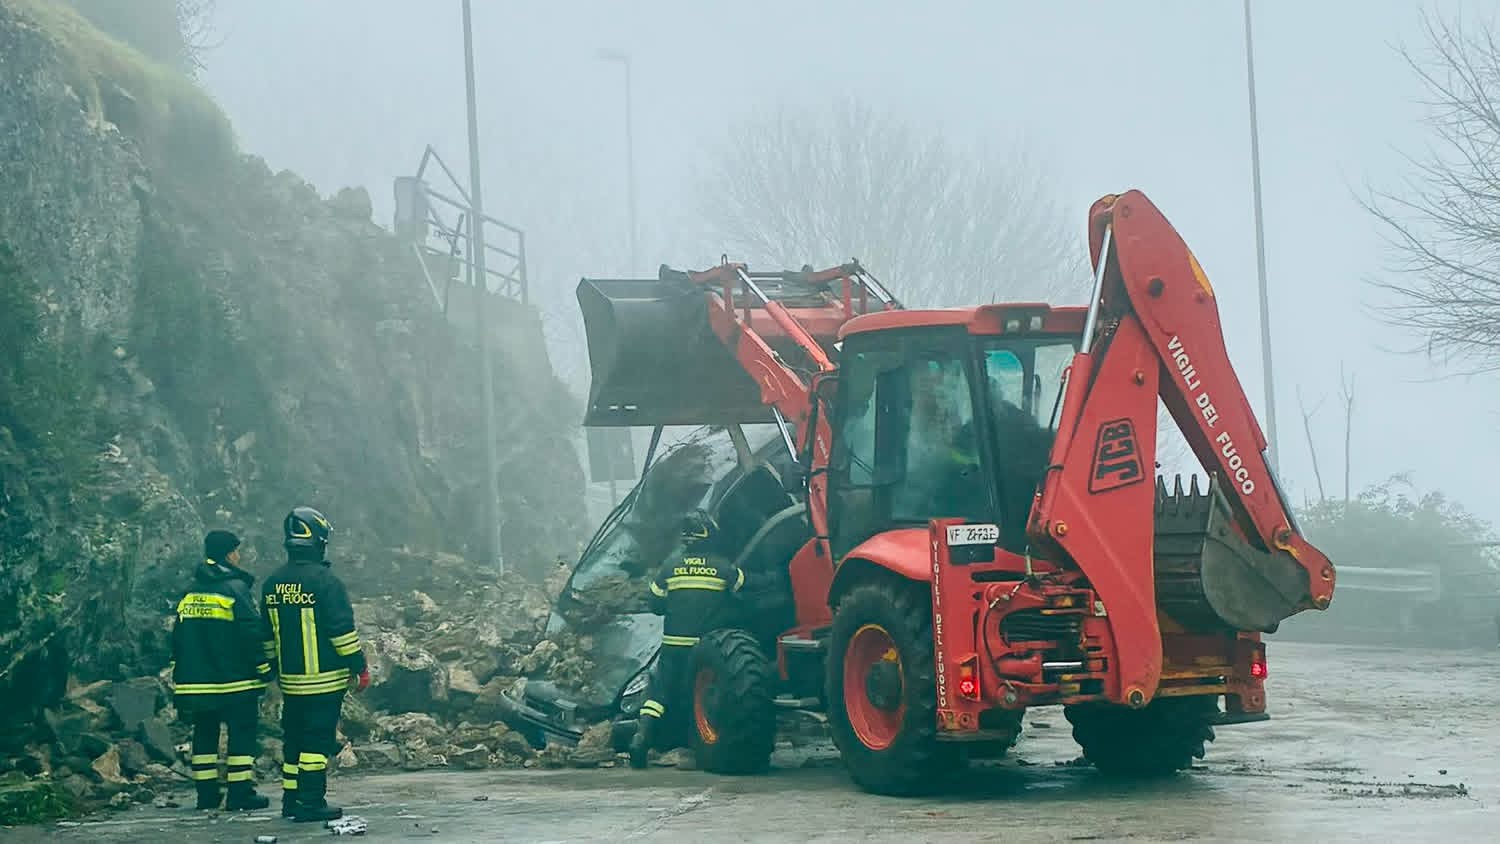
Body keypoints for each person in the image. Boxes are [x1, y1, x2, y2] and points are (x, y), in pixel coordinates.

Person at [260, 507, 369, 823]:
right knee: (316, 743)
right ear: (319, 540)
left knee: (293, 740)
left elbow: (265, 635)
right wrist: (359, 667)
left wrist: (271, 669)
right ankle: (311, 802)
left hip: (291, 682)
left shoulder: (273, 583)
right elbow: (342, 633)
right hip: (324, 681)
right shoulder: (326, 582)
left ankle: (291, 800)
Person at [629, 509, 745, 769]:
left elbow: (655, 604)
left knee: (658, 693)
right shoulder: (723, 566)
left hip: (673, 646)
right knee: (698, 696)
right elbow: (745, 593)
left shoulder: (670, 567)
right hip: (705, 648)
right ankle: (698, 745)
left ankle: (640, 739)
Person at [170, 530, 273, 811]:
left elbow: (177, 638)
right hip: (235, 681)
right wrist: (265, 668)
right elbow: (251, 632)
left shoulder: (190, 592)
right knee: (241, 734)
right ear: (229, 554)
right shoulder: (235, 589)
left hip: (197, 684)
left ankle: (206, 794)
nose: (239, 556)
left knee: (204, 734)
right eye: (237, 551)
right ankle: (240, 794)